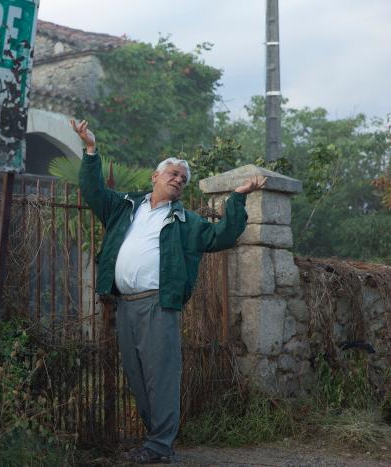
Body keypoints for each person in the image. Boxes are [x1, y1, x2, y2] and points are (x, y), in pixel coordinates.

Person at [71, 119, 265, 464]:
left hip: (159, 304)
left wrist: (237, 198)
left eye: (183, 178)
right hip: (124, 305)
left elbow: (222, 236)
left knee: (160, 375)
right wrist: (90, 149)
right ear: (155, 178)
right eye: (173, 174)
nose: (178, 179)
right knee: (136, 374)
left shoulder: (185, 222)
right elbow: (93, 190)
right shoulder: (124, 207)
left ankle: (159, 446)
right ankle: (154, 442)